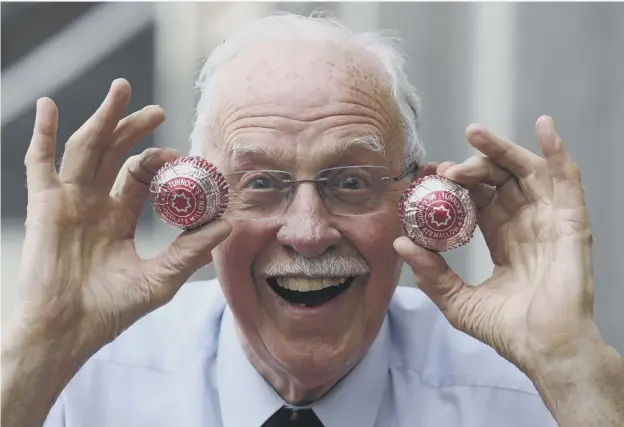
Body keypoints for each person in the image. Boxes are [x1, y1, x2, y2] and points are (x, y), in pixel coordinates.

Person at [2, 12, 623, 427]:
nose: (307, 232)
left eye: (351, 182)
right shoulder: (78, 386)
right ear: (196, 202)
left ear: (417, 201)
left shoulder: (532, 395)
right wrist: (38, 350)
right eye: (262, 183)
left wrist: (572, 367)